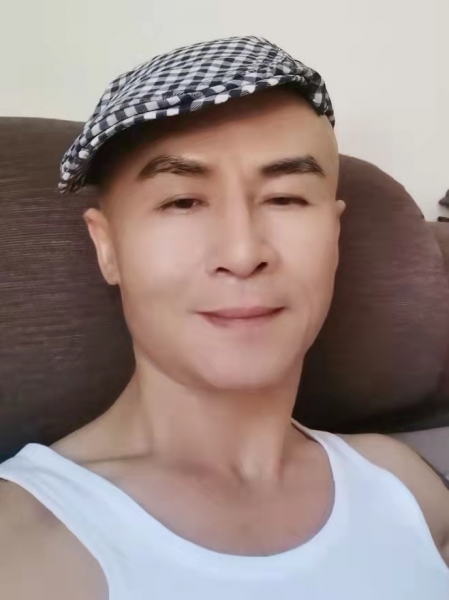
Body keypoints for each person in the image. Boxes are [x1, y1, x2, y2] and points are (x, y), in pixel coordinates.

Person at [0, 36, 448, 600]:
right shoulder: (26, 542)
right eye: (182, 202)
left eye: (285, 198)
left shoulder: (407, 488)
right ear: (107, 246)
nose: (242, 253)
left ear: (334, 234)